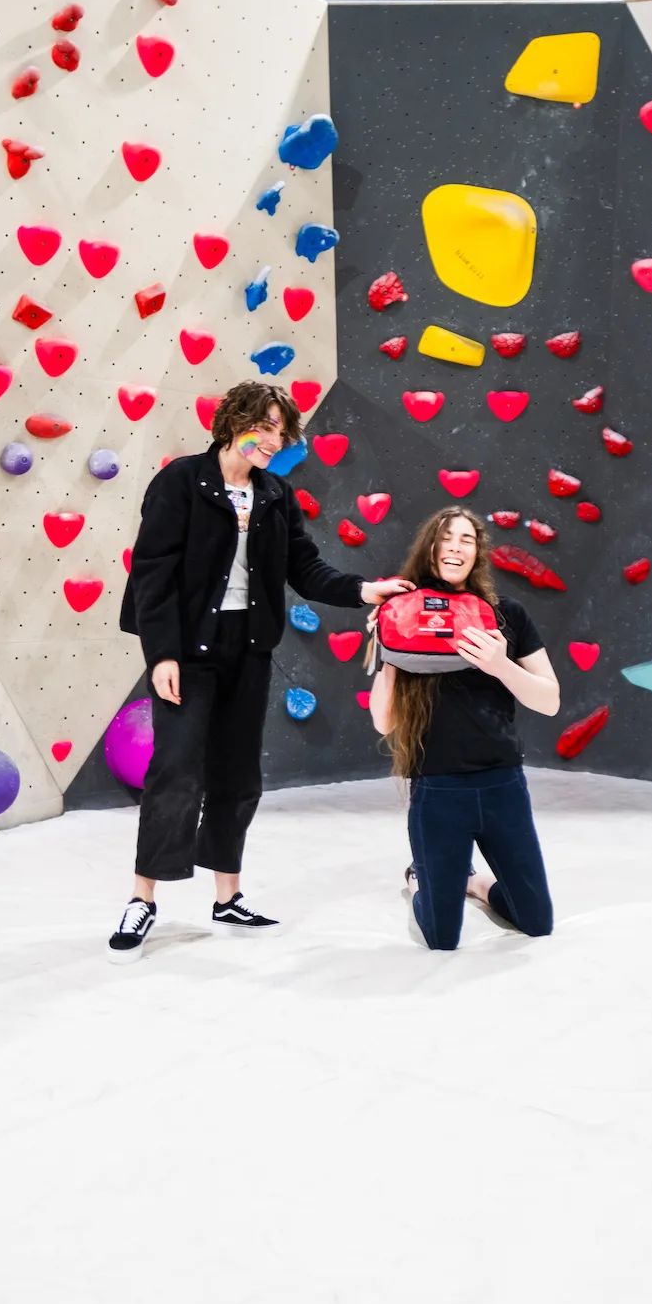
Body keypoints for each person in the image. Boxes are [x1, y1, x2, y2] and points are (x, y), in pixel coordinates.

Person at [108, 380, 411, 962]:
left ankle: (228, 897)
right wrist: (162, 654)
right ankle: (143, 900)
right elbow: (152, 575)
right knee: (175, 773)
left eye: (281, 431)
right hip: (188, 650)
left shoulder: (275, 495)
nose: (273, 440)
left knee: (238, 775)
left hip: (247, 650)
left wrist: (365, 590)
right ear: (233, 422)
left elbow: (307, 569)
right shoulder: (181, 482)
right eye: (264, 427)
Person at [368, 507, 560, 950]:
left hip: (502, 784)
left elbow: (549, 701)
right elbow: (383, 721)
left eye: (466, 539)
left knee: (536, 922)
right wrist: (388, 649)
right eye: (446, 537)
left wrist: (500, 665)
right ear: (429, 548)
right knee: (441, 937)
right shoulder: (404, 617)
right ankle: (421, 881)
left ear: (478, 553)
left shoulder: (506, 615)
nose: (455, 547)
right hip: (438, 789)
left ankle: (474, 883)